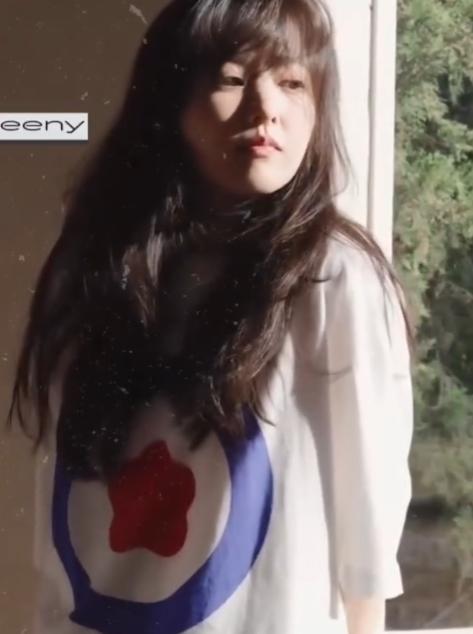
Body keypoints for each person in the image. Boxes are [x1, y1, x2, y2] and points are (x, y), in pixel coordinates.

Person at [8, 0, 414, 632]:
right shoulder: (90, 267)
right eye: (232, 77)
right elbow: (61, 518)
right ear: (170, 99)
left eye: (292, 82)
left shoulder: (333, 276)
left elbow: (369, 525)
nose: (266, 107)